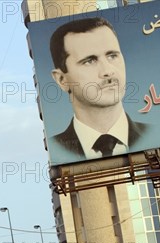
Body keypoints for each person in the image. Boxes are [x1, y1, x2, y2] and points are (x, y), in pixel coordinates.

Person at [49, 17, 150, 161]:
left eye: (112, 55)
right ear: (62, 79)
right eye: (89, 61)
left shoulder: (157, 134)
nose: (107, 71)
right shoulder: (57, 149)